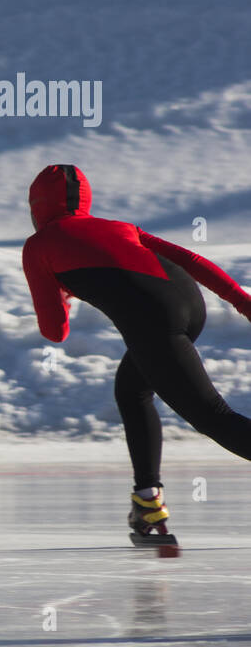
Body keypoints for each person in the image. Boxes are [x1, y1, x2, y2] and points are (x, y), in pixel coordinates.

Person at [22, 165, 251, 540]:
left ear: (36, 207)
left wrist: (63, 292)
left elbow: (55, 332)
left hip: (157, 325)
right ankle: (146, 500)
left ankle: (148, 498)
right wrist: (244, 303)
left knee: (215, 417)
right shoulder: (120, 227)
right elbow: (192, 261)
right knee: (131, 391)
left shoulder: (39, 246)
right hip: (191, 308)